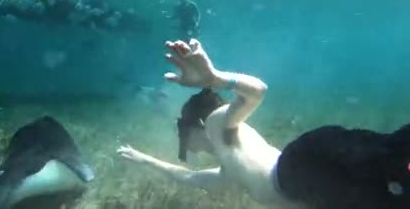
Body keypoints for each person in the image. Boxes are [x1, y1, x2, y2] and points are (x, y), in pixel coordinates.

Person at [117, 38, 410, 209]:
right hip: (318, 181)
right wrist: (143, 159)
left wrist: (216, 79)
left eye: (182, 130)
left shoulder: (217, 124)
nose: (185, 142)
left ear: (195, 124)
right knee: (393, 166)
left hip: (303, 168)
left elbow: (256, 93)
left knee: (390, 156)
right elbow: (188, 177)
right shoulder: (227, 169)